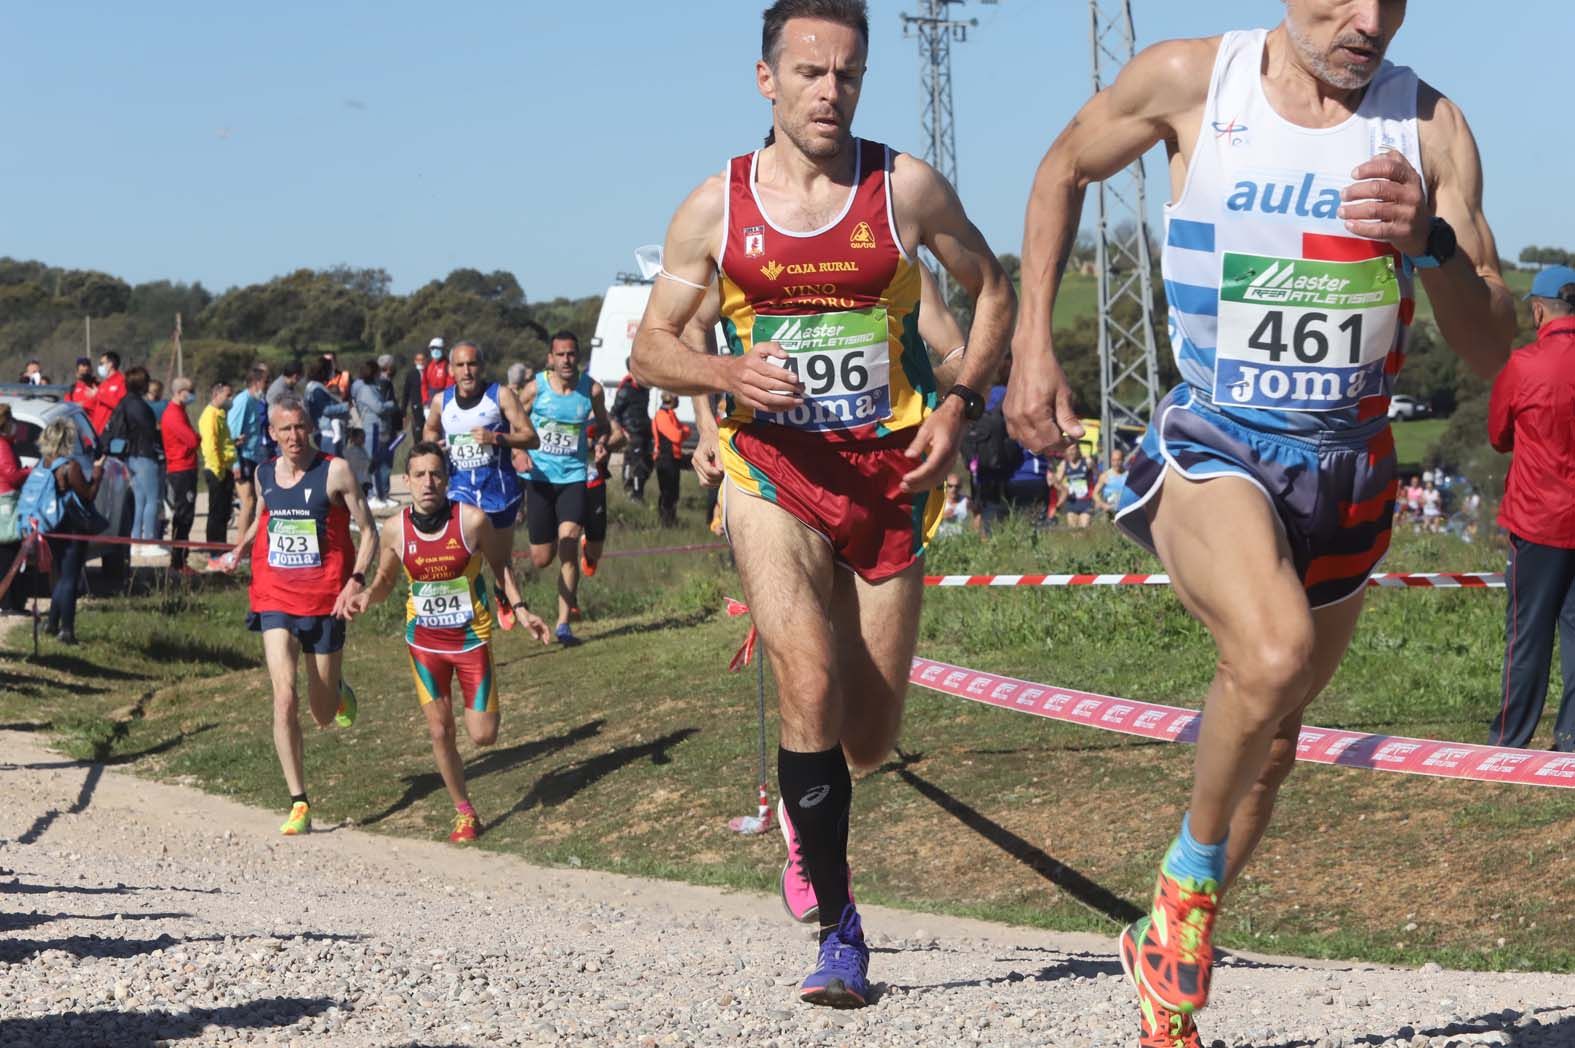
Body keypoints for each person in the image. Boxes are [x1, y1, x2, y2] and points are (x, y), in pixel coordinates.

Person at [1004, 5, 1515, 1043]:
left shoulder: (1429, 127)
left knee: (1273, 746)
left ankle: (1159, 956)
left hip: (1351, 472)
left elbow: (1493, 345)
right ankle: (1185, 885)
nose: (1365, 21)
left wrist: (1435, 244)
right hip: (1218, 441)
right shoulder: (1197, 80)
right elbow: (1062, 167)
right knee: (1274, 651)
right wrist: (1030, 344)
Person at [631, 0, 1013, 1008]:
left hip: (888, 476)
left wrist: (964, 400)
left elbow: (994, 288)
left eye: (845, 73)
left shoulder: (906, 189)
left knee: (869, 733)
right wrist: (723, 372)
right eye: (807, 72)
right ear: (767, 80)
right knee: (805, 678)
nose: (827, 92)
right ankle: (841, 932)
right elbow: (648, 346)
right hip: (773, 472)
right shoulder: (717, 206)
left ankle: (813, 813)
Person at [348, 442, 551, 841]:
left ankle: (476, 743)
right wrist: (366, 597)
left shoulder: (472, 521)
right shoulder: (395, 528)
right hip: (424, 643)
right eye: (419, 475)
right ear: (406, 481)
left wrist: (522, 610)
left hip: (471, 639)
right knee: (440, 731)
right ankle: (464, 811)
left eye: (436, 474)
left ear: (447, 479)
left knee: (483, 735)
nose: (428, 483)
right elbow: (386, 581)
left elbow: (499, 566)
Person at [229, 394, 377, 836]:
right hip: (273, 593)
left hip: (326, 597)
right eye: (284, 429)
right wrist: (241, 544)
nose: (293, 437)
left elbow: (367, 531)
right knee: (283, 696)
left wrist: (356, 579)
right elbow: (266, 514)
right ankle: (299, 801)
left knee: (322, 712)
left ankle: (338, 689)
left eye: (300, 427)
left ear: (309, 428)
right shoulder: (262, 472)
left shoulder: (335, 470)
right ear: (271, 434)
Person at [1488, 265, 1575, 752]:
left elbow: (1498, 436)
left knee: (1527, 634)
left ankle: (1510, 738)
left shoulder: (1523, 364)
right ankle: (1571, 740)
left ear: (1539, 309)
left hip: (1538, 518)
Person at [423, 339, 541, 634]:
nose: (467, 371)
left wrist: (497, 439)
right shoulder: (441, 401)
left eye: (472, 364)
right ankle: (464, 614)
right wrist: (431, 446)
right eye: (460, 365)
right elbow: (430, 429)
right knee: (462, 554)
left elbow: (531, 437)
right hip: (459, 489)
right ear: (450, 369)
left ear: (482, 366)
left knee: (499, 560)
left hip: (498, 490)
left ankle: (503, 594)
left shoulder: (500, 395)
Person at [515, 332, 623, 645]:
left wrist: (601, 442)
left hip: (574, 477)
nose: (566, 360)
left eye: (571, 354)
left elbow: (603, 424)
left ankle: (563, 624)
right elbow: (514, 419)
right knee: (541, 558)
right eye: (560, 355)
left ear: (578, 356)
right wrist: (518, 451)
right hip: (540, 479)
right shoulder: (535, 389)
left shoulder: (591, 390)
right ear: (550, 358)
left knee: (568, 544)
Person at [35, 419, 102, 644]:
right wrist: (97, 472)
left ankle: (52, 623)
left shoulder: (43, 464)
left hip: (52, 525)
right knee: (69, 578)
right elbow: (88, 494)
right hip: (72, 526)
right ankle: (67, 630)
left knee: (62, 576)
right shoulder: (69, 466)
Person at [105, 366, 163, 552]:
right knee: (152, 499)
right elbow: (149, 432)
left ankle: (136, 539)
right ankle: (149, 541)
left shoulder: (123, 403)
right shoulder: (139, 406)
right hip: (144, 454)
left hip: (129, 456)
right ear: (142, 383)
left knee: (140, 500)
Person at [162, 378, 201, 573]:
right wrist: (195, 437)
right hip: (181, 469)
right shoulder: (173, 415)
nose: (192, 394)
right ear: (180, 392)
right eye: (190, 391)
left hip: (186, 467)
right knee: (183, 515)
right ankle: (178, 561)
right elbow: (192, 439)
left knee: (187, 514)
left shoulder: (181, 412)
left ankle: (180, 559)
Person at [230, 365, 271, 539]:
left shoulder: (256, 401)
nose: (268, 385)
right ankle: (240, 546)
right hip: (242, 456)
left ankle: (250, 543)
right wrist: (235, 463)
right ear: (256, 382)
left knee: (255, 502)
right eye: (265, 381)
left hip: (254, 456)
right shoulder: (243, 400)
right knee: (247, 501)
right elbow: (232, 434)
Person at [199, 381, 240, 545]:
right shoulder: (210, 416)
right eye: (228, 395)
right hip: (217, 470)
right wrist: (219, 471)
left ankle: (221, 548)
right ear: (216, 395)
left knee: (224, 512)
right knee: (216, 513)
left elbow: (222, 442)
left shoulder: (221, 414)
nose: (231, 399)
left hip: (225, 468)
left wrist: (234, 443)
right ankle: (214, 550)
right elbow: (210, 446)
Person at [351, 360, 396, 507]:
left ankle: (382, 495)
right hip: (371, 430)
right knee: (371, 464)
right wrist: (390, 404)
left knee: (381, 463)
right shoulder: (365, 390)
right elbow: (379, 408)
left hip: (381, 429)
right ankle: (371, 496)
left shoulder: (373, 387)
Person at [0, 404, 31, 614]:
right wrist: (29, 471)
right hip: (6, 500)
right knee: (9, 551)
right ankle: (9, 602)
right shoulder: (3, 446)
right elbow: (11, 475)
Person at [610, 361, 653, 501]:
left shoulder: (644, 389)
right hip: (632, 433)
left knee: (647, 464)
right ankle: (635, 494)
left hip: (644, 431)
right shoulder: (626, 390)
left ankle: (636, 491)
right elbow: (615, 413)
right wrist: (623, 432)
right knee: (636, 464)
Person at [578, 421, 612, 578]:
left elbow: (619, 434)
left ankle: (588, 550)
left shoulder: (596, 407)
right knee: (568, 535)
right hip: (566, 480)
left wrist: (601, 444)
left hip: (593, 480)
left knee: (596, 551)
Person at [653, 392, 691, 527]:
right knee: (667, 492)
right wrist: (682, 432)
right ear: (671, 399)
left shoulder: (671, 414)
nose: (678, 400)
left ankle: (671, 520)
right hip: (665, 458)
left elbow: (685, 431)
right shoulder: (662, 416)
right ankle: (665, 522)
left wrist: (682, 432)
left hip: (673, 458)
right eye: (677, 398)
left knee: (674, 492)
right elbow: (676, 435)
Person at [304, 359, 350, 456]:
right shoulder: (316, 389)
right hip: (327, 432)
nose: (333, 372)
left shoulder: (312, 386)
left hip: (324, 431)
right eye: (331, 369)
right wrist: (346, 406)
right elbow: (325, 409)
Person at [374, 355, 401, 504]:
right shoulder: (384, 383)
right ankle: (383, 493)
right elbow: (384, 405)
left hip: (383, 426)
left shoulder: (378, 381)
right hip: (385, 427)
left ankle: (382, 492)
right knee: (385, 461)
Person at [1054, 442, 1096, 528]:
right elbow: (1056, 482)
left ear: (1078, 450)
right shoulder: (1064, 464)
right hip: (1071, 502)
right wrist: (1063, 488)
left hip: (1086, 501)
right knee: (1073, 531)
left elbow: (1098, 476)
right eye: (1068, 450)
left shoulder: (1087, 462)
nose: (1071, 452)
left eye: (1073, 449)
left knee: (1084, 527)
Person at [88, 351, 126, 434]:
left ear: (110, 364)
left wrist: (98, 395)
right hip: (96, 430)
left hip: (109, 431)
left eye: (102, 363)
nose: (99, 366)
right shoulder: (104, 383)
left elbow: (119, 405)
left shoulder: (121, 382)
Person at [404, 349, 430, 444]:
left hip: (429, 405)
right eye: (418, 360)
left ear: (426, 360)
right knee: (418, 429)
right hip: (417, 405)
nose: (421, 362)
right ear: (415, 361)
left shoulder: (430, 372)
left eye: (422, 359)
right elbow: (406, 393)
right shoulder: (411, 374)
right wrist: (404, 412)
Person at [1094, 447, 1129, 518]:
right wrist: (1103, 505)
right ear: (1111, 461)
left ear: (1123, 460)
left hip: (1124, 510)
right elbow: (1095, 494)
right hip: (1108, 510)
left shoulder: (1128, 475)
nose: (1116, 463)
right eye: (1114, 460)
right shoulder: (1105, 476)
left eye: (1119, 460)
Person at [937, 474, 971, 539]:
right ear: (945, 486)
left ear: (961, 487)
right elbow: (928, 522)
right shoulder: (939, 502)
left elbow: (977, 512)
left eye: (957, 486)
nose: (954, 489)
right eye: (950, 486)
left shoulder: (966, 501)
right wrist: (942, 516)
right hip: (943, 542)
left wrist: (976, 530)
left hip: (962, 542)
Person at [343, 427, 372, 499]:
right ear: (353, 438)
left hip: (364, 480)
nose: (363, 440)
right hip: (357, 481)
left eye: (364, 437)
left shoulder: (362, 449)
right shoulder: (350, 451)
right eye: (361, 438)